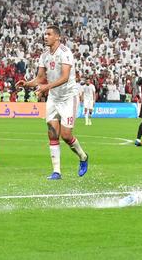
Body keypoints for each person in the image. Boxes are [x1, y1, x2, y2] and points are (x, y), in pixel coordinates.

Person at [16, 25, 88, 180]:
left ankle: (83, 156)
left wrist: (45, 87)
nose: (45, 37)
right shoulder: (44, 56)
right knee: (52, 134)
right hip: (54, 98)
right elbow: (41, 78)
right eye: (45, 34)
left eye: (48, 34)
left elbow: (65, 77)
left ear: (57, 37)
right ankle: (57, 172)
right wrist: (28, 84)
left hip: (69, 97)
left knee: (66, 135)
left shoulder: (65, 53)